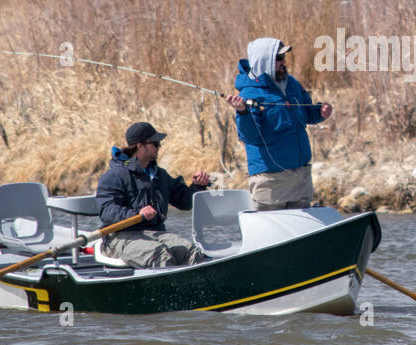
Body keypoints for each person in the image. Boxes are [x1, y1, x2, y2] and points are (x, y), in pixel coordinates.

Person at [225, 37, 332, 210]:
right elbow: (250, 137)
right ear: (264, 60)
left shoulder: (292, 84)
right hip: (271, 181)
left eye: (284, 58)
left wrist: (319, 112)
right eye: (279, 58)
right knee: (272, 234)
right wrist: (243, 112)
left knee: (303, 233)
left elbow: (305, 113)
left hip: (301, 176)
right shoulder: (249, 94)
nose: (284, 62)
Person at [96, 121, 212, 268]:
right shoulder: (114, 175)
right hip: (120, 238)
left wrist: (197, 187)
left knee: (191, 252)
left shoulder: (160, 175)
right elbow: (107, 211)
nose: (159, 147)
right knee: (159, 255)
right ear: (140, 146)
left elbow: (184, 202)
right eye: (155, 143)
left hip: (156, 234)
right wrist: (137, 213)